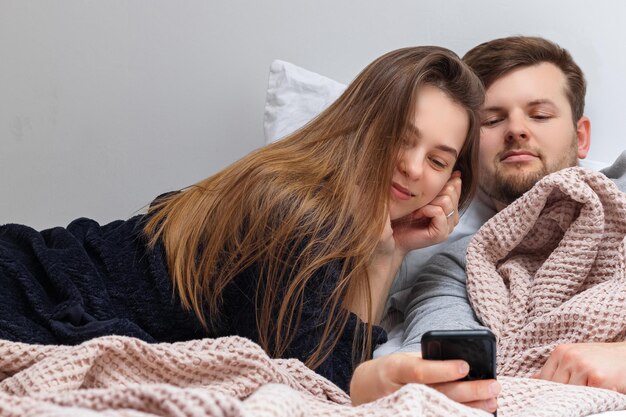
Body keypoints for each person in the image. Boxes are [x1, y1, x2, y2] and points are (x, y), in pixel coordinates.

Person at [0, 46, 501, 410]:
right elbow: (324, 385)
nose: (414, 169)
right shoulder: (299, 210)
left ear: (452, 182)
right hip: (28, 291)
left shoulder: (336, 216)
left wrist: (387, 253)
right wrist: (383, 257)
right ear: (364, 125)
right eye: (401, 138)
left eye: (437, 160)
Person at [387, 36, 626, 398]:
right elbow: (439, 375)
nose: (516, 129)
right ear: (465, 154)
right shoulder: (457, 266)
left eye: (540, 115)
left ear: (581, 137)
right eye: (493, 119)